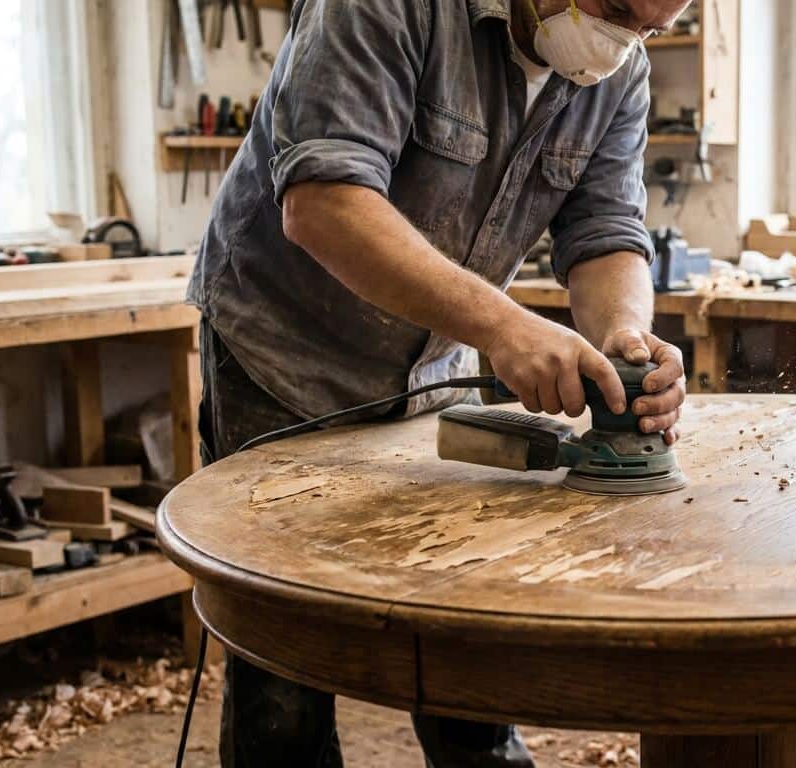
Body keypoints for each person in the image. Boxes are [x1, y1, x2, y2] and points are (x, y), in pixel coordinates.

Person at [187, 0, 691, 764]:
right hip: (283, 357)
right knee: (286, 674)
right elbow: (324, 202)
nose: (622, 46)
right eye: (617, 12)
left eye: (649, 30)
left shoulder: (616, 71)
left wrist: (624, 333)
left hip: (433, 367)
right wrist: (505, 327)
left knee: (466, 634)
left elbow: (605, 233)